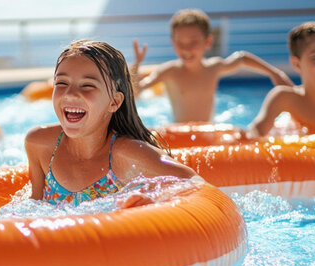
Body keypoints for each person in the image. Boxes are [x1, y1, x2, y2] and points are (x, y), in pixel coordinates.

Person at [25, 40, 199, 208]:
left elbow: (195, 184)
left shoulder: (126, 155)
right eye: (61, 83)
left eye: (87, 85)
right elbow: (34, 207)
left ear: (114, 102)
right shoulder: (40, 144)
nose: (70, 94)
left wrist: (155, 200)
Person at [131, 8, 293, 123]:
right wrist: (137, 64)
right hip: (178, 131)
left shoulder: (213, 68)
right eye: (180, 43)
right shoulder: (169, 71)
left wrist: (275, 73)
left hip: (208, 131)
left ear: (207, 42)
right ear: (173, 43)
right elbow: (136, 92)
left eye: (193, 42)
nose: (186, 48)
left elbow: (242, 58)